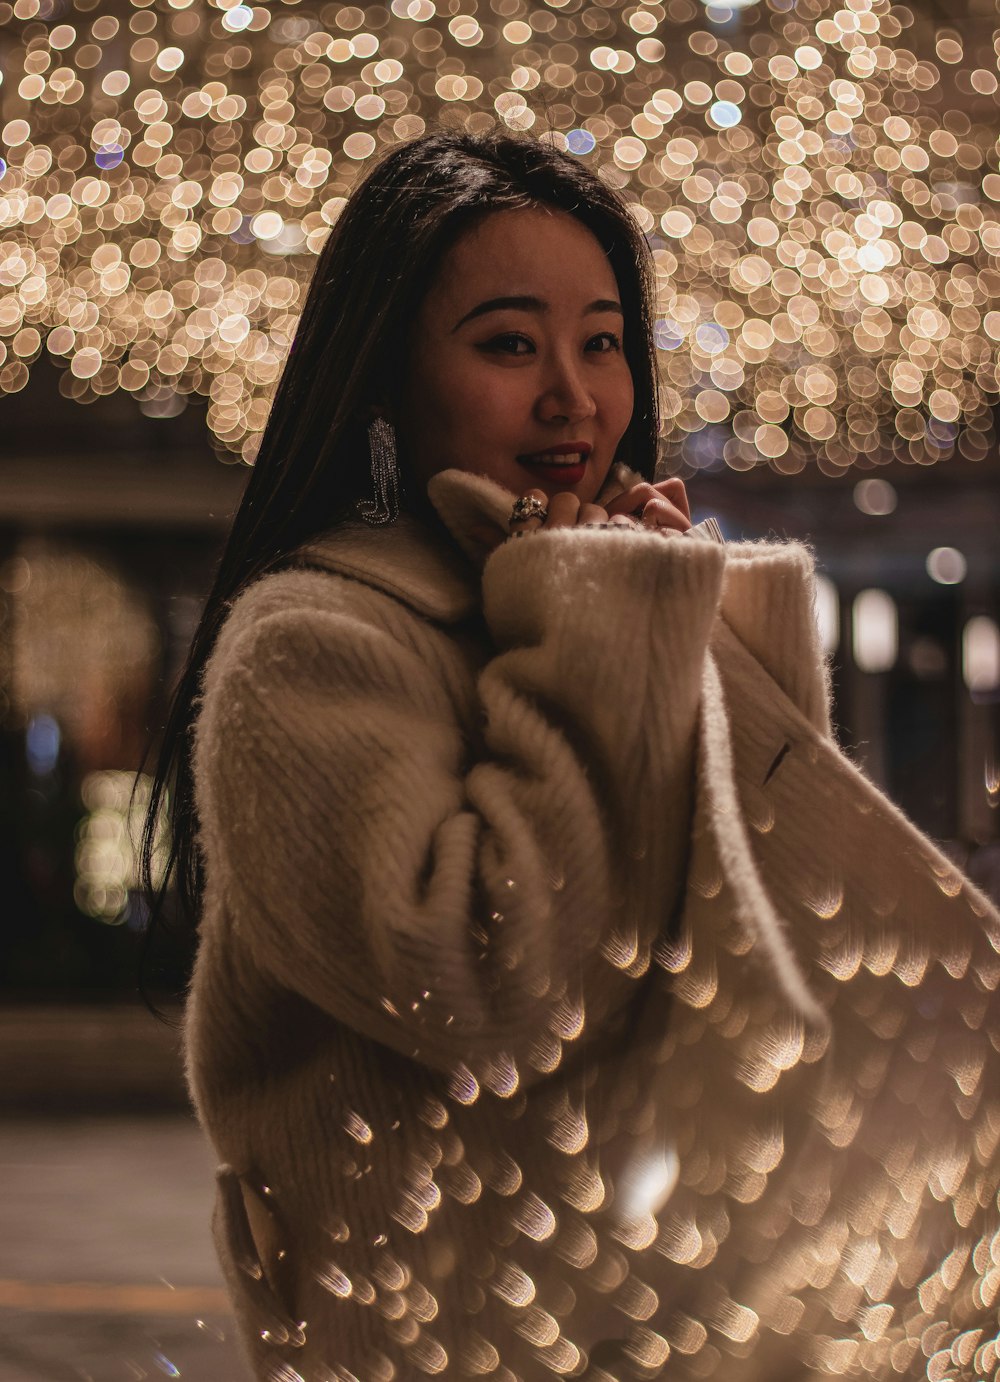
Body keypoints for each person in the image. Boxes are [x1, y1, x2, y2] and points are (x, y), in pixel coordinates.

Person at [142, 132, 1000, 1382]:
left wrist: (668, 613)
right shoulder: (309, 647)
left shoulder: (533, 590)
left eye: (601, 341)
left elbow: (764, 890)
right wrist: (602, 607)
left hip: (659, 1309)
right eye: (508, 343)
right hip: (439, 1343)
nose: (575, 394)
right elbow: (494, 988)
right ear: (387, 380)